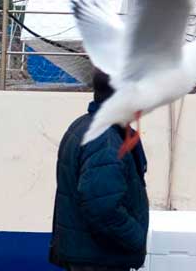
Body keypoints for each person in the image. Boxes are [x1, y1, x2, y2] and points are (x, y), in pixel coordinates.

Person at [50, 69, 149, 271]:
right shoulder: (105, 140)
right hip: (99, 259)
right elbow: (102, 207)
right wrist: (136, 237)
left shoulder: (84, 126)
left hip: (89, 255)